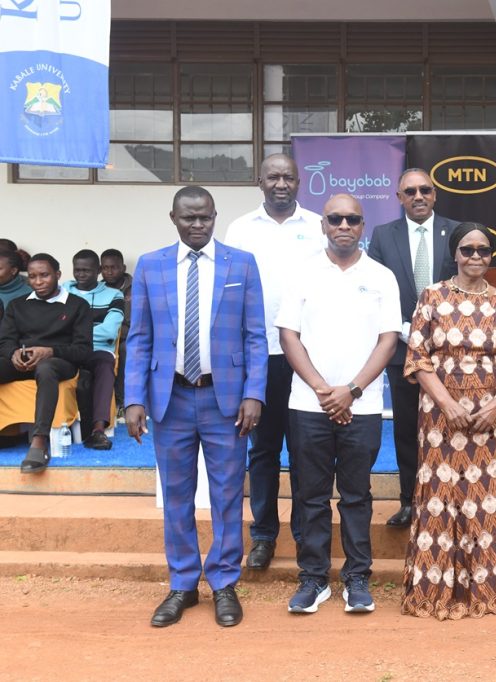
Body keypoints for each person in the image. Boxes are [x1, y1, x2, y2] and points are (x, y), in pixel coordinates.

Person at [126, 186, 268, 628]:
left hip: (224, 400)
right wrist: (133, 398)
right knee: (176, 496)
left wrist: (254, 393)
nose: (197, 225)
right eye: (189, 217)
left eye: (205, 217)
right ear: (173, 218)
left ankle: (223, 582)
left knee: (227, 495)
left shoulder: (240, 263)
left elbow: (255, 336)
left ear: (215, 216)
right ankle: (183, 584)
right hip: (170, 398)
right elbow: (139, 337)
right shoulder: (150, 265)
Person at [402, 222, 496, 620]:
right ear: (455, 255)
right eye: (467, 249)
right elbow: (417, 357)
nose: (476, 256)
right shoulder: (432, 296)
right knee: (442, 494)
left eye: (483, 250)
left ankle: (491, 586)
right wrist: (447, 404)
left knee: (490, 495)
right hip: (441, 417)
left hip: (494, 419)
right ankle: (440, 588)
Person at [278, 193, 400, 615]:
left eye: (352, 219)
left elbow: (388, 340)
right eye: (335, 219)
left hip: (361, 407)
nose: (343, 226)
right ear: (323, 224)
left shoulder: (381, 276)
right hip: (308, 404)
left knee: (356, 496)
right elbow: (288, 335)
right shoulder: (302, 272)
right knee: (310, 495)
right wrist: (322, 389)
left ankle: (357, 578)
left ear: (363, 226)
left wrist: (352, 390)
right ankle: (313, 578)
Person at [224, 153, 324, 570]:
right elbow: (229, 292)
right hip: (258, 356)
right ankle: (263, 535)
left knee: (304, 452)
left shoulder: (318, 226)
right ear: (259, 181)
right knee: (262, 451)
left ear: (299, 182)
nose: (281, 184)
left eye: (288, 177)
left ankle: (304, 536)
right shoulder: (240, 229)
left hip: (306, 356)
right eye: (273, 177)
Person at [368, 168, 459, 528]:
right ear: (399, 198)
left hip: (451, 352)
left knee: (449, 427)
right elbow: (375, 289)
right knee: (407, 429)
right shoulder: (382, 235)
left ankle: (449, 499)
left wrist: (441, 334)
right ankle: (410, 501)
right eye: (410, 191)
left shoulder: (455, 231)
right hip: (402, 349)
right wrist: (407, 330)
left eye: (425, 190)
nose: (418, 196)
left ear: (434, 194)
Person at [0, 253, 92, 473]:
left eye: (44, 275)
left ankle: (39, 442)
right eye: (32, 276)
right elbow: (5, 341)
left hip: (59, 363)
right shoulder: (17, 305)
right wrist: (13, 353)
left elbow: (84, 351)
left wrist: (50, 351)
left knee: (46, 367)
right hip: (22, 362)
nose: (38, 281)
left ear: (58, 275)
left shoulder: (77, 305)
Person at [64, 249, 125, 450]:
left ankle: (98, 430)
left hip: (97, 350)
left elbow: (109, 332)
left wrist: (72, 333)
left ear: (98, 270)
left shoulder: (114, 295)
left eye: (87, 270)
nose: (81, 274)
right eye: (77, 270)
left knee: (105, 364)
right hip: (67, 349)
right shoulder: (63, 292)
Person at [100, 249, 132, 412]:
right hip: (104, 337)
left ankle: (123, 401)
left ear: (123, 268)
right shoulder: (97, 289)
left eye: (114, 267)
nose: (109, 272)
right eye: (105, 268)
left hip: (129, 337)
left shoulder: (137, 287)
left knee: (124, 350)